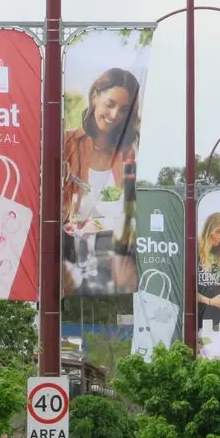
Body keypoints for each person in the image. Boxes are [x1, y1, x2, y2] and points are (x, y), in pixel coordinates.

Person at [62, 67, 143, 296]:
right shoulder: (67, 143)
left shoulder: (127, 152)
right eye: (110, 104)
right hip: (68, 249)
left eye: (124, 110)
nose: (115, 115)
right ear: (95, 96)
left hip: (111, 253)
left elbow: (129, 208)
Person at [196, 212, 220, 325]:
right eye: (218, 231)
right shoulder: (193, 252)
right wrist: (210, 301)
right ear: (209, 229)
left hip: (217, 318)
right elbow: (185, 290)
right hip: (196, 315)